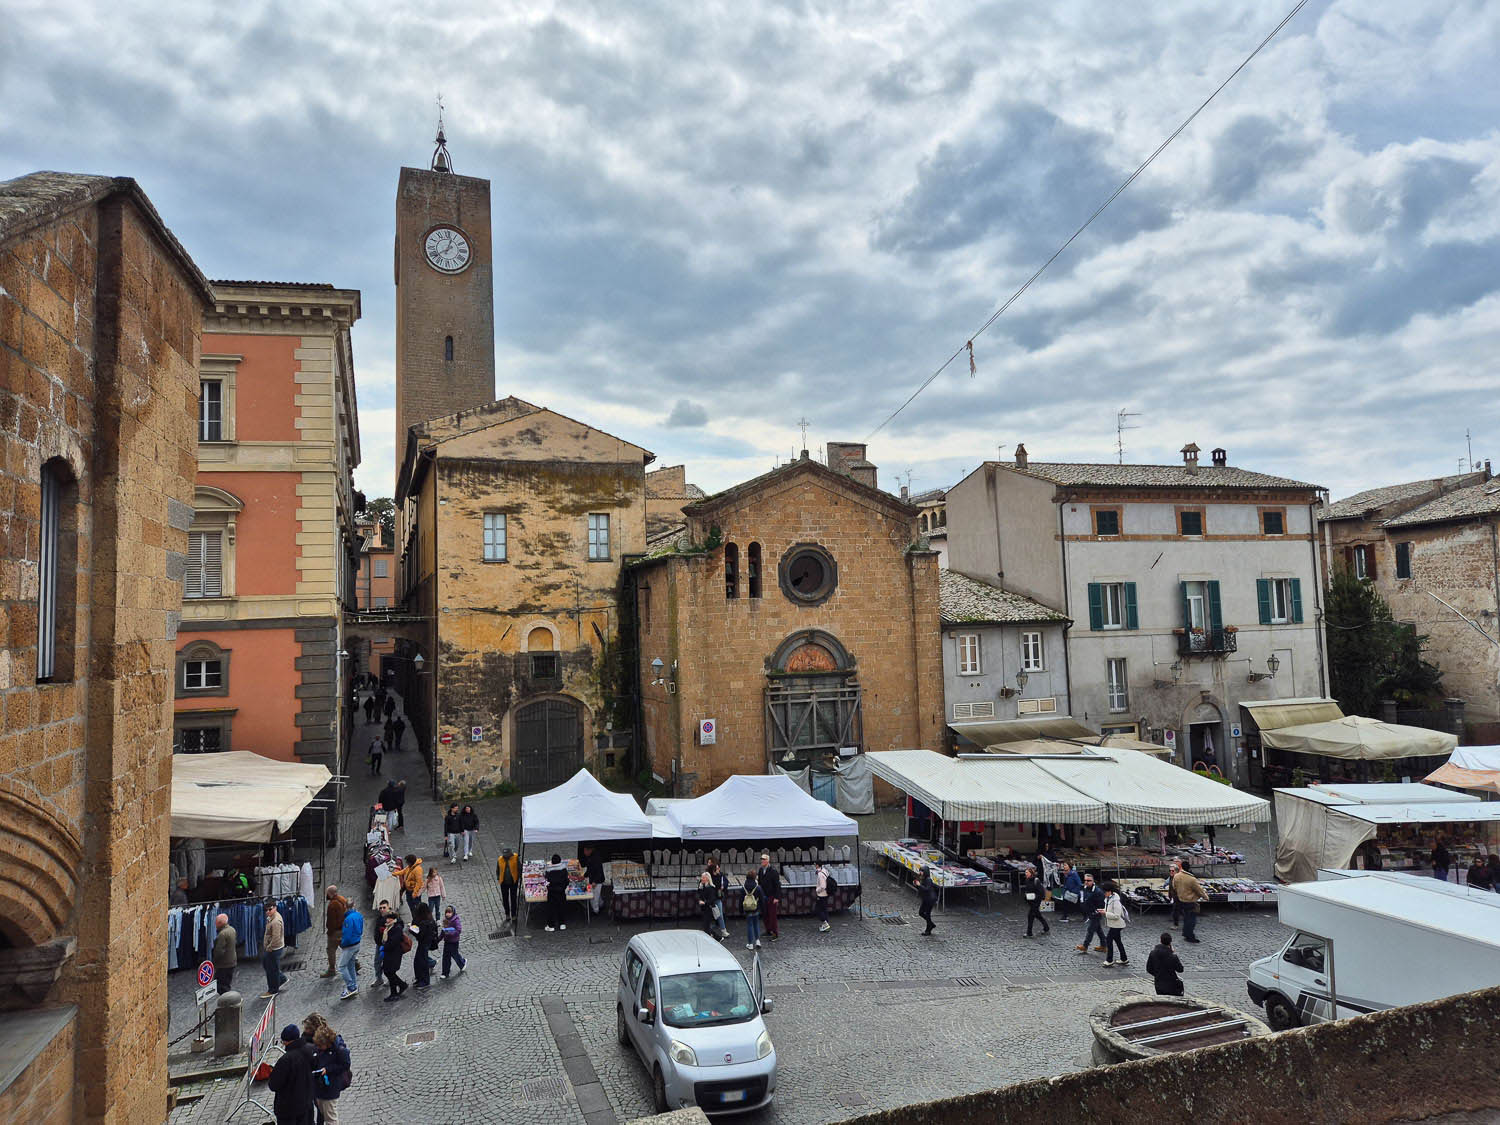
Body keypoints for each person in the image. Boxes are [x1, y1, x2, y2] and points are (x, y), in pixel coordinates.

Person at [267, 1024, 316, 1125]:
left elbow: (274, 1085)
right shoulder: (309, 1050)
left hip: (288, 1108)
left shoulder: (285, 1060)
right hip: (306, 1103)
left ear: (286, 1041)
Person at [310, 1023, 351, 1124]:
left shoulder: (341, 1051)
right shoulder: (319, 1048)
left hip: (331, 1087)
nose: (318, 1048)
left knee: (330, 1117)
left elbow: (344, 1065)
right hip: (319, 1087)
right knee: (323, 1112)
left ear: (327, 1043)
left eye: (320, 1046)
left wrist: (328, 1069)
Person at [1172, 860, 1207, 944]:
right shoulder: (1191, 879)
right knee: (1191, 919)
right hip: (1190, 901)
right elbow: (1199, 890)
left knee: (1186, 917)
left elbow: (1174, 886)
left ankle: (1185, 933)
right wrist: (1206, 897)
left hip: (1181, 899)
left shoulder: (1176, 876)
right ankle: (1190, 936)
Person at [335, 896, 363, 1000]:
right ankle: (354, 985)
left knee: (342, 966)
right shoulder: (359, 915)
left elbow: (346, 935)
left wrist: (342, 943)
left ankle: (351, 986)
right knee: (351, 964)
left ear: (345, 907)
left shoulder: (348, 919)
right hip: (357, 943)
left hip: (349, 946)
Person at [261, 901, 288, 998]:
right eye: (266, 910)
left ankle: (273, 989)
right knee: (268, 965)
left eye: (270, 909)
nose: (267, 912)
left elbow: (276, 938)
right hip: (272, 948)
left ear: (275, 908)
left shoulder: (276, 921)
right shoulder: (271, 918)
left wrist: (269, 947)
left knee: (271, 969)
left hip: (274, 949)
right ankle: (281, 978)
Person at [379, 910, 408, 1001]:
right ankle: (401, 985)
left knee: (390, 972)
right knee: (389, 972)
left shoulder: (397, 928)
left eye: (389, 918)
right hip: (389, 953)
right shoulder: (389, 927)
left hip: (394, 954)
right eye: (387, 918)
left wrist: (384, 947)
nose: (387, 920)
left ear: (394, 919)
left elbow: (393, 942)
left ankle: (394, 993)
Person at [321, 886, 349, 979]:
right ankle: (355, 963)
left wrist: (330, 931)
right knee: (346, 947)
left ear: (330, 893)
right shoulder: (342, 899)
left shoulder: (332, 905)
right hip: (344, 929)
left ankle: (332, 969)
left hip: (336, 931)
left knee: (331, 950)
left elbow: (331, 921)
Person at [1076, 873, 1107, 955]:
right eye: (1085, 880)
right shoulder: (1083, 888)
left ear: (1093, 881)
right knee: (1098, 930)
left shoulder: (1098, 892)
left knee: (1090, 930)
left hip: (1095, 914)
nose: (1086, 882)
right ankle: (1104, 945)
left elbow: (1101, 904)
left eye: (1088, 880)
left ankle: (1085, 946)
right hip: (1089, 912)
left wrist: (1096, 912)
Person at [410, 904, 439, 990]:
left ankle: (424, 981)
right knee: (419, 961)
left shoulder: (425, 923)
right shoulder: (429, 920)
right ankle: (420, 979)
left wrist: (412, 930)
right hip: (425, 943)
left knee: (422, 962)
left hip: (424, 943)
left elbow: (420, 935)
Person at [1147, 931, 1185, 996]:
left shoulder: (1153, 953)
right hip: (1172, 984)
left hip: (1158, 983)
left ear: (1161, 940)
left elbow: (1149, 969)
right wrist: (1172, 953)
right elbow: (1180, 969)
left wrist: (1158, 974)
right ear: (1170, 942)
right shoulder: (1172, 956)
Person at [1102, 881, 1130, 967]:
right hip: (1114, 924)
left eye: (1105, 892)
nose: (1104, 893)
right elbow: (1108, 909)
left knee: (1109, 940)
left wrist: (1105, 913)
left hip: (1117, 925)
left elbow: (1117, 916)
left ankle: (1109, 960)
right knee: (1118, 941)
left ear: (1109, 891)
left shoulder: (1116, 901)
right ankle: (1124, 959)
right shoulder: (1108, 899)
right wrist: (1103, 911)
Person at [757, 854, 782, 941]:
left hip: (771, 896)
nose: (762, 861)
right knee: (765, 914)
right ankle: (768, 930)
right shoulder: (760, 870)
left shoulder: (773, 871)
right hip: (763, 896)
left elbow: (777, 885)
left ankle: (775, 933)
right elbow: (759, 883)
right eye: (761, 860)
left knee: (772, 915)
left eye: (764, 860)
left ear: (767, 861)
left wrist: (777, 897)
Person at [1022, 864, 1051, 937]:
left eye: (1027, 872)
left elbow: (1041, 892)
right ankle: (1046, 928)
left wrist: (1035, 898)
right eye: (1025, 872)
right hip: (1031, 901)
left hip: (1036, 902)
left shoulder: (1036, 880)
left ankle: (1029, 933)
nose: (1026, 874)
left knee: (1030, 916)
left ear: (1031, 873)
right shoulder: (1027, 880)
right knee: (1038, 915)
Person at [212, 913, 237, 995]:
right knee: (226, 983)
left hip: (224, 964)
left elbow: (219, 951)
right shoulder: (232, 929)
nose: (215, 924)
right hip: (232, 961)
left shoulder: (222, 934)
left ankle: (227, 1002)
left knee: (221, 986)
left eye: (216, 922)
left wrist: (214, 961)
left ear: (220, 923)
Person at [544, 854, 570, 932]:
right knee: (561, 907)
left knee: (551, 908)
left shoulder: (549, 870)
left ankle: (551, 926)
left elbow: (547, 879)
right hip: (561, 891)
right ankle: (562, 924)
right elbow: (566, 880)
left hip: (552, 892)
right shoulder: (564, 869)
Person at [440, 904, 467, 977]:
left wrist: (450, 932)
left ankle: (462, 964)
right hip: (447, 941)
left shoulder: (456, 920)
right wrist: (438, 939)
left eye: (449, 912)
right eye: (446, 912)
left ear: (453, 913)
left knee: (455, 955)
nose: (447, 914)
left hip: (454, 942)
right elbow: (443, 931)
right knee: (446, 957)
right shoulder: (445, 920)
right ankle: (445, 973)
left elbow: (458, 930)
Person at [581, 845, 607, 916]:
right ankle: (601, 905)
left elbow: (598, 871)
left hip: (597, 880)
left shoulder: (595, 858)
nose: (584, 852)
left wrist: (595, 881)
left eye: (585, 851)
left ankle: (595, 911)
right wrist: (584, 876)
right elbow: (589, 869)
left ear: (589, 850)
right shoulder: (591, 857)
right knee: (597, 894)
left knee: (594, 896)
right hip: (595, 879)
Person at [497, 849, 520, 922]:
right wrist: (499, 878)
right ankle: (507, 914)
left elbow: (519, 868)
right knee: (505, 899)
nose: (506, 857)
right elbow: (497, 870)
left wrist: (518, 877)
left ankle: (513, 915)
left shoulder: (515, 857)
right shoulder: (500, 859)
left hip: (513, 881)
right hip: (504, 883)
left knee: (513, 899)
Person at [696, 871, 721, 938]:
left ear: (707, 878)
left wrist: (704, 902)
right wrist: (700, 887)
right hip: (704, 908)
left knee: (706, 926)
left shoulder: (710, 888)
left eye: (703, 878)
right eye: (702, 877)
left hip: (709, 909)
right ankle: (718, 937)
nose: (702, 879)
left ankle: (717, 938)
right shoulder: (703, 886)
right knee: (706, 926)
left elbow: (712, 899)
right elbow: (699, 894)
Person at [743, 870, 763, 950]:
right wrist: (762, 909)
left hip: (747, 909)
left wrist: (741, 910)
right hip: (756, 908)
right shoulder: (757, 887)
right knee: (756, 924)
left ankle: (750, 943)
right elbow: (761, 899)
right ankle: (758, 941)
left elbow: (741, 899)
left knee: (749, 925)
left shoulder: (744, 887)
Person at [917, 868, 939, 936]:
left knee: (927, 914)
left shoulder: (928, 879)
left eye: (922, 871)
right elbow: (922, 889)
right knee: (921, 912)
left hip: (930, 899)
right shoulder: (923, 878)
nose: (920, 872)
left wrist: (919, 885)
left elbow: (927, 889)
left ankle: (928, 930)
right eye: (920, 871)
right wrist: (917, 885)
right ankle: (931, 924)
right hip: (925, 899)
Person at [814, 860, 832, 933]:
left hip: (822, 894)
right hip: (826, 894)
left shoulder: (820, 874)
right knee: (824, 909)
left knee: (818, 909)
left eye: (815, 864)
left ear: (818, 865)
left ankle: (825, 923)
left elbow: (823, 886)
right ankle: (826, 924)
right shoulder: (825, 870)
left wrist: (817, 890)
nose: (814, 866)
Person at [1166, 859, 1183, 929]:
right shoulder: (1171, 877)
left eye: (1172, 871)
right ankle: (1176, 923)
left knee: (1176, 911)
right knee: (1177, 910)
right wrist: (1170, 895)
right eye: (1170, 870)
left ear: (1176, 871)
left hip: (1179, 897)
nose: (1171, 872)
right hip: (1175, 897)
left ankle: (1176, 925)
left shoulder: (1178, 878)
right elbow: (1170, 887)